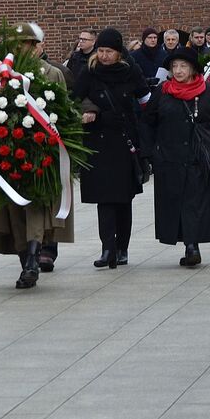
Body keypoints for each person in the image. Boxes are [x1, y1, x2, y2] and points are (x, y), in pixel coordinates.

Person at [0, 23, 74, 288]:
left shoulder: (52, 73)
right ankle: (25, 261)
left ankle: (32, 260)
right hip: (8, 153)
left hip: (41, 153)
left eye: (27, 44)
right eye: (17, 45)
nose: (22, 49)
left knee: (37, 206)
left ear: (37, 46)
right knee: (14, 209)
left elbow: (64, 112)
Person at [143, 47, 210, 267]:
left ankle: (192, 246)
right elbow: (148, 123)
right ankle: (188, 243)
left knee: (194, 202)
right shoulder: (162, 92)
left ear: (193, 69)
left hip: (199, 158)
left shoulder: (208, 91)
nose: (178, 70)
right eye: (174, 66)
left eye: (183, 66)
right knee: (177, 202)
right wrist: (150, 153)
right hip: (169, 158)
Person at [73, 28, 150, 269]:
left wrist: (146, 138)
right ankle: (107, 248)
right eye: (101, 51)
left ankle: (122, 247)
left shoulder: (131, 71)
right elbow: (73, 99)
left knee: (123, 198)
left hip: (125, 140)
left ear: (119, 53)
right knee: (104, 197)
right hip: (98, 140)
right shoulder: (90, 71)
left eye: (109, 51)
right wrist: (91, 112)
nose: (104, 56)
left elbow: (146, 101)